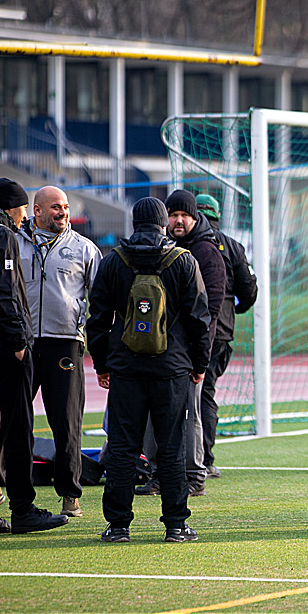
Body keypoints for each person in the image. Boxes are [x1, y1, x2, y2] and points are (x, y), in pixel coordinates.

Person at [86, 196, 211, 542]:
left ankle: (118, 525)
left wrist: (101, 363)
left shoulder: (114, 261)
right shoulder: (182, 261)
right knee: (170, 446)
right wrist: (199, 363)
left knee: (124, 446)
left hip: (126, 366)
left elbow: (97, 319)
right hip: (171, 368)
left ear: (134, 221)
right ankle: (175, 524)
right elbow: (200, 319)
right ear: (162, 222)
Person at [0, 177, 69, 536]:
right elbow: (5, 292)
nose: (24, 216)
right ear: (13, 206)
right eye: (22, 207)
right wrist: (19, 342)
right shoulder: (1, 235)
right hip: (3, 349)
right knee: (18, 428)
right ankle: (23, 508)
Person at [17, 186, 101, 518]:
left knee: (66, 422)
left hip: (65, 343)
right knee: (14, 421)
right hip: (20, 344)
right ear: (36, 211)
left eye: (65, 206)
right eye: (55, 207)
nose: (62, 212)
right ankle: (7, 488)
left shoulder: (84, 249)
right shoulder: (15, 243)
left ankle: (70, 494)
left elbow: (101, 299)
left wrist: (90, 337)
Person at [136, 190, 226, 497]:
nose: (177, 221)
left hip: (187, 351)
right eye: (172, 215)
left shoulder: (205, 252)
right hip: (161, 349)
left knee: (190, 413)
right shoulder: (168, 249)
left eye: (183, 215)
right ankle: (158, 473)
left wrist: (199, 354)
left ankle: (194, 475)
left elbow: (209, 310)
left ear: (194, 217)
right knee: (154, 413)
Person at [194, 193, 258, 478]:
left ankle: (172, 462)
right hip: (220, 333)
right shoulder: (232, 247)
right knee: (206, 393)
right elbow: (249, 290)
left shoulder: (186, 244)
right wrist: (235, 310)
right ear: (218, 214)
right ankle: (205, 460)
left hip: (184, 332)